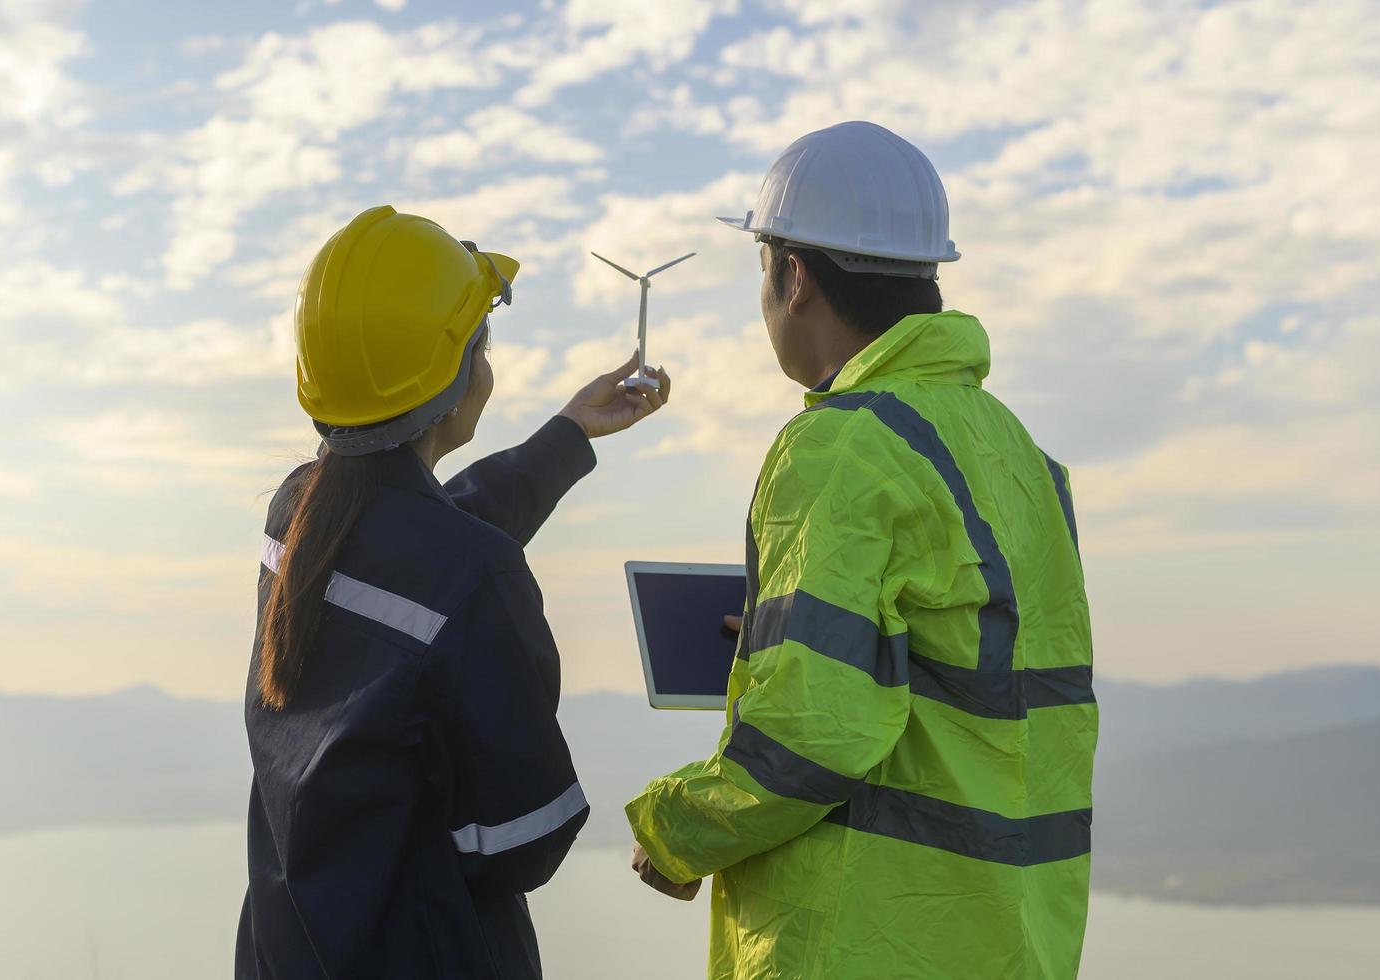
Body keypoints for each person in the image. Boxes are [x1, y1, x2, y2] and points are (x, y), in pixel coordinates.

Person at [625, 122, 1097, 978]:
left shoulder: (842, 445)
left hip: (868, 942)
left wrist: (676, 830)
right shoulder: (1020, 456)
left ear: (795, 277)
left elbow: (815, 736)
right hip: (1010, 942)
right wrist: (804, 636)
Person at [236, 205, 672, 979]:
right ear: (457, 372)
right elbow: (527, 835)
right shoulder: (475, 576)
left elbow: (418, 541)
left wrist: (567, 435)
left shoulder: (295, 516)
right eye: (485, 344)